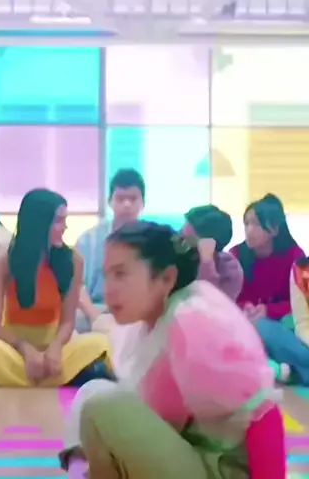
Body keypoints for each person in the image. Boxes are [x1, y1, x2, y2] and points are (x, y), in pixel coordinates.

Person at [60, 221, 281, 478]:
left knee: (100, 406)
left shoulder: (191, 321)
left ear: (166, 278)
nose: (109, 289)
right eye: (107, 275)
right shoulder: (152, 320)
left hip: (218, 468)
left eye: (121, 274)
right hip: (189, 452)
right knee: (93, 391)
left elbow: (262, 408)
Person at [0, 188, 113, 387]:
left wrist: (55, 348)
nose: (65, 227)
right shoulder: (4, 261)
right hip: (14, 347)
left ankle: (10, 376)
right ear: (39, 223)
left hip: (55, 349)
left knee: (99, 343)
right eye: (59, 221)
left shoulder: (74, 261)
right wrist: (25, 349)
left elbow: (67, 323)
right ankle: (52, 376)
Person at [230, 193, 305, 383]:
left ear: (275, 229)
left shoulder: (295, 257)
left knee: (283, 326)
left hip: (285, 322)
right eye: (246, 223)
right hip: (249, 322)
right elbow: (229, 297)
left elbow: (302, 304)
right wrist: (246, 308)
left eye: (256, 224)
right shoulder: (236, 254)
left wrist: (269, 310)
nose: (249, 230)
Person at [75, 168, 145, 333]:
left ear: (143, 203)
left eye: (133, 199)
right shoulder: (88, 240)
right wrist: (95, 317)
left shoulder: (153, 240)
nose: (127, 205)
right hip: (97, 309)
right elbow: (77, 286)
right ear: (109, 201)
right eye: (120, 199)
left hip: (139, 311)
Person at [183, 204, 243, 300]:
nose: (183, 231)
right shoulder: (185, 256)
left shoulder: (229, 267)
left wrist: (207, 261)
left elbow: (211, 301)